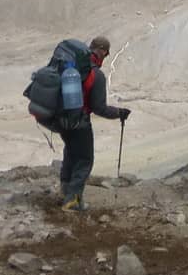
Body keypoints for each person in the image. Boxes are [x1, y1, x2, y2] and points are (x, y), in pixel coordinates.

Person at [52, 35, 130, 212]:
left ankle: (65, 192)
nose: (106, 56)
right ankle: (72, 201)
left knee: (71, 154)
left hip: (62, 119)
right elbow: (99, 108)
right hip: (80, 122)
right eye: (107, 53)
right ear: (101, 51)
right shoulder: (96, 75)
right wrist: (119, 113)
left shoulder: (72, 66)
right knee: (85, 160)